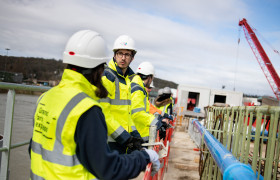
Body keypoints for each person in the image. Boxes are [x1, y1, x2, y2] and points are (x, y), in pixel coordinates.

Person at [29, 30, 159, 180]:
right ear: (98, 68)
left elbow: (35, 149)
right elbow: (109, 168)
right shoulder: (86, 109)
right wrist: (144, 157)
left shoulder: (44, 99)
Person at [99, 35, 143, 154]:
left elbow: (126, 114)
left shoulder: (127, 80)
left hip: (121, 140)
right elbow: (103, 114)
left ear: (132, 58)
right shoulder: (107, 77)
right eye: (120, 53)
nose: (123, 58)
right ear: (114, 55)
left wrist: (135, 135)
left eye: (127, 54)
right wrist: (125, 138)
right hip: (109, 142)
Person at [131, 62, 169, 141]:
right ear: (149, 77)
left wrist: (159, 119)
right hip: (137, 136)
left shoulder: (137, 88)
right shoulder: (138, 90)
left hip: (138, 134)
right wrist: (157, 123)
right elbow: (137, 114)